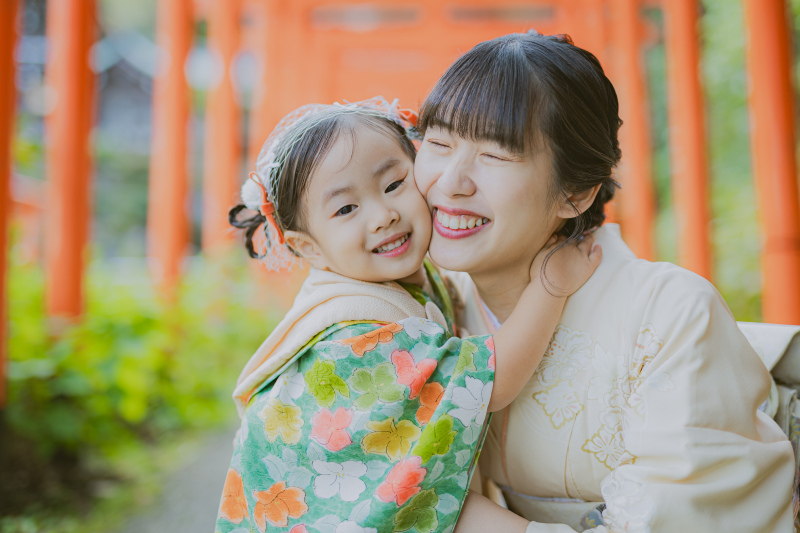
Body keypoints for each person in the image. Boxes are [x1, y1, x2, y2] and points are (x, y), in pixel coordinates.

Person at [413, 31, 796, 532]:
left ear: (575, 193)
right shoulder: (432, 311)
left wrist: (454, 517)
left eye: (496, 156)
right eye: (438, 143)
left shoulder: (670, 311)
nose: (451, 181)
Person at [215, 97, 600, 533]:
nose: (384, 215)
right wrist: (551, 286)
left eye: (394, 184)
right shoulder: (355, 336)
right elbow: (489, 383)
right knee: (440, 504)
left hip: (375, 499)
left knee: (438, 499)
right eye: (346, 209)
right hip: (332, 515)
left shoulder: (395, 280)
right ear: (309, 248)